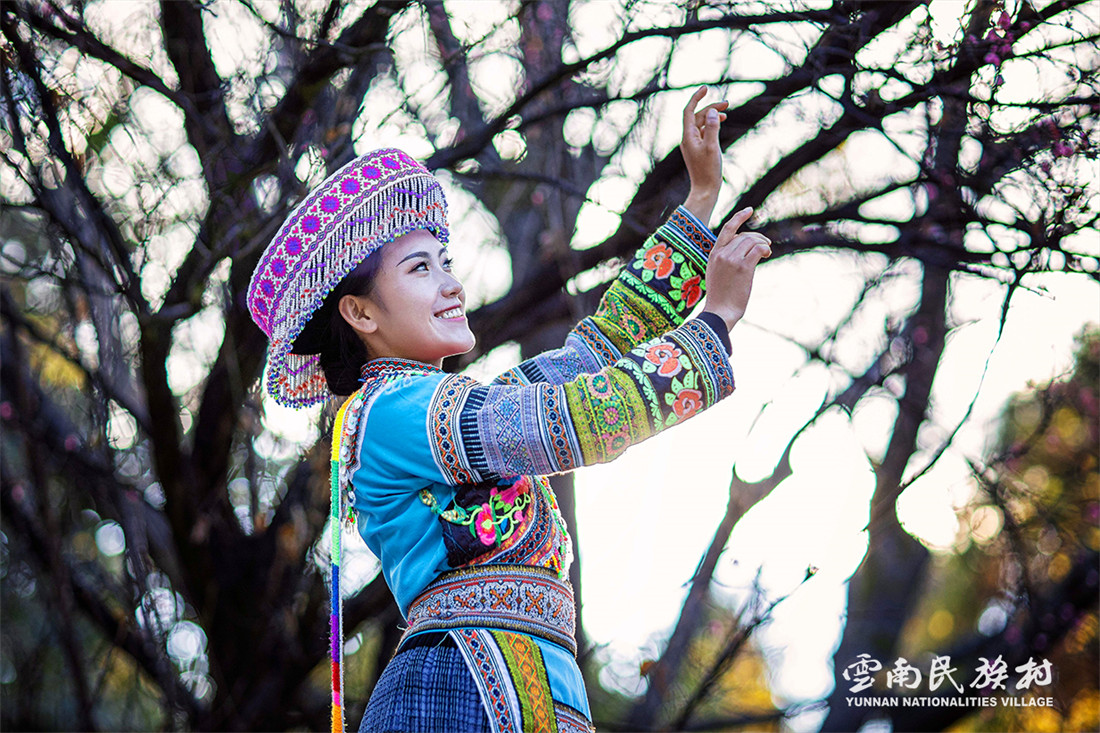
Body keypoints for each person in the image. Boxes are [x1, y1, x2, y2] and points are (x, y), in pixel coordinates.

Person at [247, 86, 771, 733]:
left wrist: (699, 198)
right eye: (419, 269)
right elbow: (577, 419)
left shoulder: (454, 408)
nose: (451, 283)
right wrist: (715, 318)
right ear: (360, 312)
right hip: (455, 690)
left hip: (522, 683)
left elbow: (595, 354)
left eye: (445, 263)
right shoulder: (391, 411)